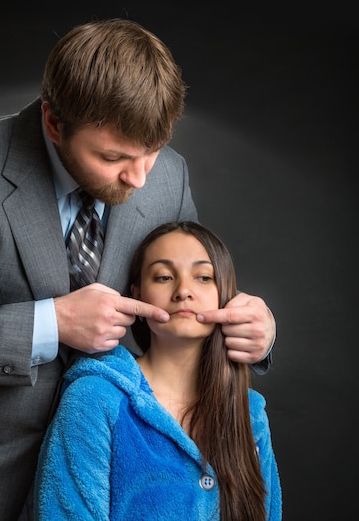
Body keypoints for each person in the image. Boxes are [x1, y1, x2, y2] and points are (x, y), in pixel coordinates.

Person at [0, 18, 276, 521]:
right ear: (54, 123)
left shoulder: (168, 177)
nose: (140, 178)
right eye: (113, 157)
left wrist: (254, 333)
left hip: (119, 481)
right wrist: (50, 323)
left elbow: (178, 295)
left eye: (152, 152)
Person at [34, 221, 282, 520]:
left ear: (226, 295)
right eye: (164, 276)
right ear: (136, 294)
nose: (183, 291)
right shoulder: (94, 398)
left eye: (203, 277)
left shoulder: (250, 413)